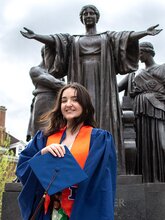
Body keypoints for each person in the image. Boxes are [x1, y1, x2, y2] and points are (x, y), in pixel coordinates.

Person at [20, 4, 162, 174]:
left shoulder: (107, 37)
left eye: (91, 13)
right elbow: (57, 40)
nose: (88, 16)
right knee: (78, 118)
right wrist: (36, 36)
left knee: (105, 119)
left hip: (104, 86)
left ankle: (109, 164)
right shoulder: (74, 40)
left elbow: (126, 37)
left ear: (96, 17)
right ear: (81, 18)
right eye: (85, 13)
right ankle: (79, 161)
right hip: (80, 82)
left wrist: (145, 32)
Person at [16, 82, 117, 220]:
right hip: (51, 212)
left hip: (83, 210)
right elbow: (23, 167)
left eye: (75, 99)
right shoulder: (44, 138)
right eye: (64, 100)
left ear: (85, 105)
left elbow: (101, 183)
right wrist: (42, 154)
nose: (68, 104)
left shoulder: (99, 139)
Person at [131, 42, 165, 182]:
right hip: (141, 111)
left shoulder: (162, 68)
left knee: (162, 143)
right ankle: (148, 179)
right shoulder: (135, 73)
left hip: (158, 109)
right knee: (144, 146)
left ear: (148, 52)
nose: (138, 56)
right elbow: (115, 87)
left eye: (140, 52)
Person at [26, 46, 65, 141]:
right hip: (43, 104)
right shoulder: (35, 70)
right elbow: (56, 84)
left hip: (58, 105)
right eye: (52, 55)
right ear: (44, 55)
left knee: (58, 136)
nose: (55, 58)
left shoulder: (58, 75)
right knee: (41, 136)